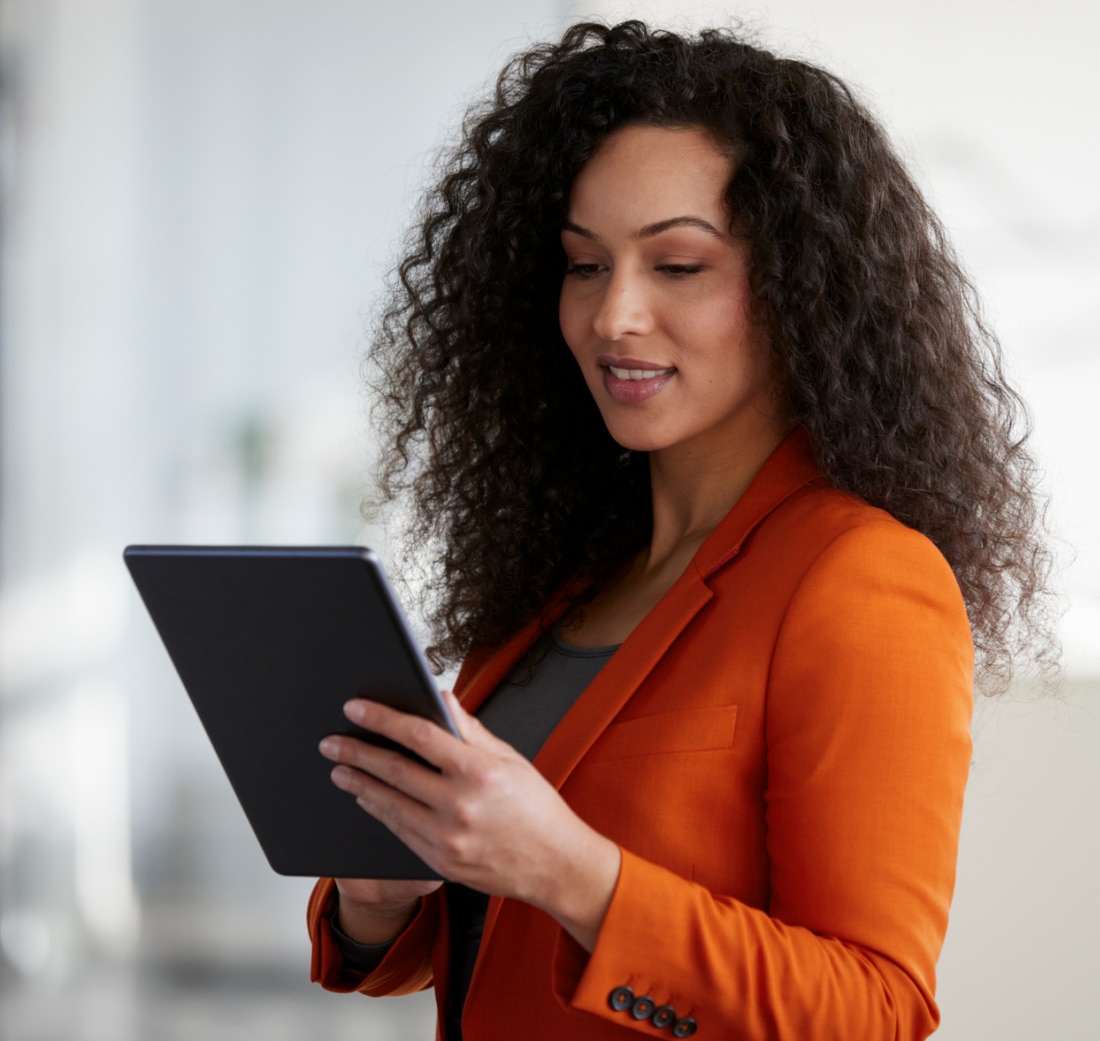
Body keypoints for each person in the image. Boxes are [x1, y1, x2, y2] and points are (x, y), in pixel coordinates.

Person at [308, 20, 1054, 1041]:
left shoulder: (862, 579)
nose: (612, 316)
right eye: (583, 264)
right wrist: (378, 899)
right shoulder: (568, 574)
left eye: (677, 266)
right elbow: (495, 947)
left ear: (800, 288)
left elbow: (873, 1012)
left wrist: (577, 875)